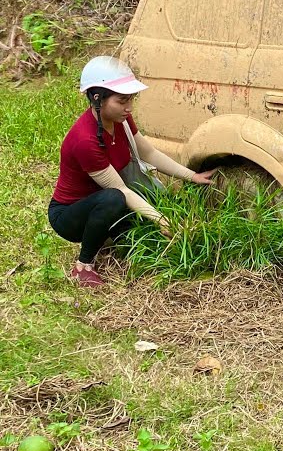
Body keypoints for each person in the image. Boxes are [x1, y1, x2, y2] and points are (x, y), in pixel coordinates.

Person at [49, 56, 215, 288]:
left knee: (150, 239)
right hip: (70, 215)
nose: (129, 107)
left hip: (105, 203)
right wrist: (162, 220)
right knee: (114, 198)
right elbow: (121, 191)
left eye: (131, 99)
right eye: (122, 101)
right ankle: (83, 266)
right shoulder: (85, 140)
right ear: (97, 98)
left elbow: (149, 153)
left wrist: (192, 176)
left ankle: (106, 237)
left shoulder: (122, 120)